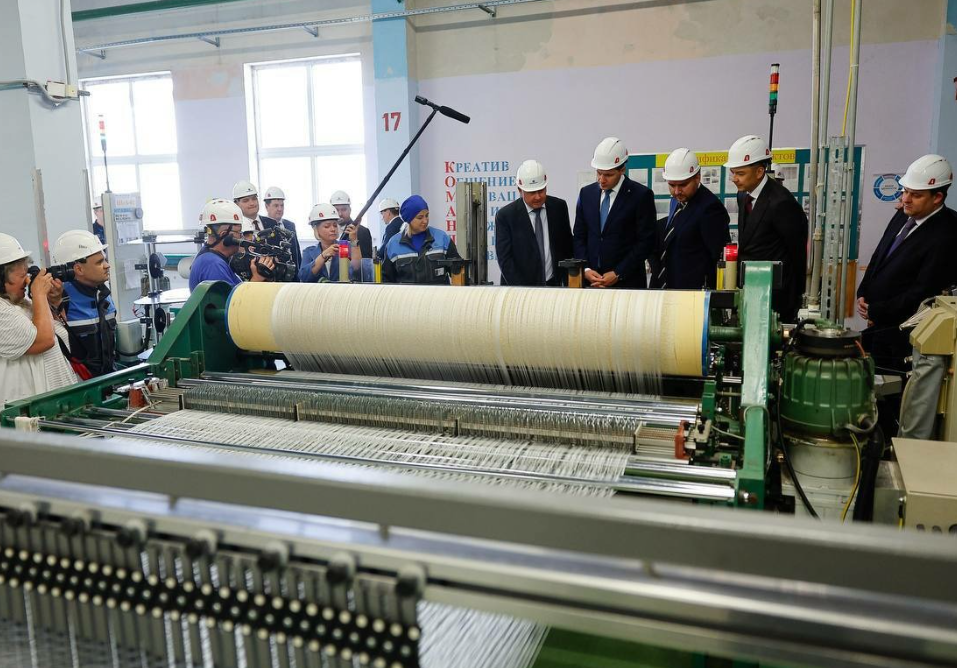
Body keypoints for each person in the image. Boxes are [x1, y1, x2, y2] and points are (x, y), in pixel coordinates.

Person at [857, 154, 957, 373]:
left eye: (916, 195)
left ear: (937, 197)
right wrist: (864, 292)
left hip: (906, 337)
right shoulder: (905, 213)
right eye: (905, 191)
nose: (906, 199)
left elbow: (923, 292)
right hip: (880, 325)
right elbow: (880, 255)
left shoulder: (948, 234)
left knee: (894, 387)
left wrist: (878, 310)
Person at [725, 134, 808, 322]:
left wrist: (795, 299)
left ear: (759, 172)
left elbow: (797, 254)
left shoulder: (781, 203)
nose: (734, 179)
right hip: (750, 290)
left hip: (775, 298)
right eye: (733, 173)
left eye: (740, 174)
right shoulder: (743, 196)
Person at [0, 233, 76, 406]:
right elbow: (44, 340)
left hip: (55, 404)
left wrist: (54, 302)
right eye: (22, 276)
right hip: (26, 412)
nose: (28, 281)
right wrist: (39, 295)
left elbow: (58, 333)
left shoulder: (22, 302)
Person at [573, 137, 657, 288]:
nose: (601, 180)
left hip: (627, 283)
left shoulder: (641, 196)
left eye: (608, 175)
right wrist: (585, 269)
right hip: (591, 283)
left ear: (622, 169)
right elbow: (579, 236)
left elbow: (646, 242)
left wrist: (619, 272)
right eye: (599, 173)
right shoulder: (586, 194)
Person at [649, 148, 730, 289]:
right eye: (671, 185)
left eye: (682, 185)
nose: (676, 191)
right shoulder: (677, 201)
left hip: (693, 292)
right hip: (669, 287)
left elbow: (718, 258)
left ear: (697, 177)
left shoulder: (710, 209)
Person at [495, 159, 573, 286]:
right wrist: (523, 292)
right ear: (520, 190)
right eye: (532, 192)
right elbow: (505, 260)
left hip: (554, 286)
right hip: (520, 289)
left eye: (541, 190)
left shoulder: (559, 207)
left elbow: (567, 247)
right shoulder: (506, 216)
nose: (538, 196)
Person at [53, 230, 118, 378]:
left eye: (105, 260)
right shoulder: (60, 299)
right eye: (99, 262)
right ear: (79, 269)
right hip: (80, 385)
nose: (107, 266)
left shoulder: (104, 295)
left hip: (108, 379)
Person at [189, 198, 274, 291]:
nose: (241, 237)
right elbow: (233, 300)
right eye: (239, 232)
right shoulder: (213, 265)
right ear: (224, 234)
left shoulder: (212, 257)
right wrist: (257, 279)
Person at [382, 196, 461, 284]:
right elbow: (387, 280)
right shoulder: (393, 244)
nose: (425, 221)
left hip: (438, 293)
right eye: (420, 217)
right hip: (408, 293)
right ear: (409, 219)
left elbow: (458, 271)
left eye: (427, 215)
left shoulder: (442, 238)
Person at [299, 203, 362, 283]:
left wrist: (354, 241)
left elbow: (357, 268)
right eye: (327, 226)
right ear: (316, 229)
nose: (333, 229)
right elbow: (304, 276)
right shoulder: (309, 252)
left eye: (335, 225)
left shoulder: (344, 247)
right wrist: (323, 256)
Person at [261, 185, 303, 273]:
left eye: (282, 205)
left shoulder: (290, 225)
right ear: (266, 206)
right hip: (274, 273)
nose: (280, 209)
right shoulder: (263, 227)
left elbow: (297, 252)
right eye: (276, 206)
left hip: (293, 273)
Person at [330, 190, 374, 259]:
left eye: (344, 209)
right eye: (336, 210)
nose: (340, 214)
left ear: (350, 210)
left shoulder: (362, 232)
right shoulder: (328, 232)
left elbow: (365, 262)